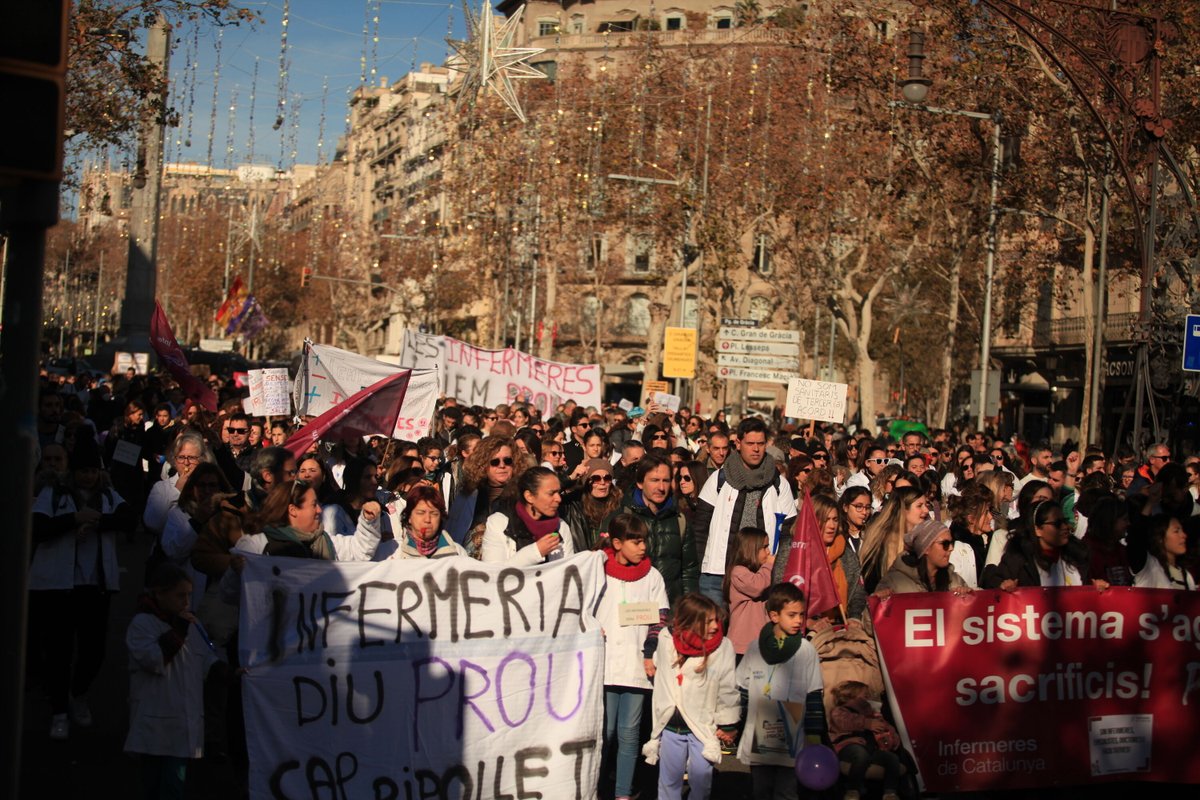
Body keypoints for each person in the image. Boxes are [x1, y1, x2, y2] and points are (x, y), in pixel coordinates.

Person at [31, 434, 135, 740]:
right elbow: (38, 527)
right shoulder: (54, 493)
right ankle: (59, 710)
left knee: (94, 651)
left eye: (92, 470)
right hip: (59, 587)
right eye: (82, 470)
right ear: (73, 472)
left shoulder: (107, 495)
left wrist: (98, 521)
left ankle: (79, 694)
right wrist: (73, 519)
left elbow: (129, 519)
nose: (88, 476)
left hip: (96, 586)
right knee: (58, 651)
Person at [125, 564, 221, 799]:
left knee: (172, 787)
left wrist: (227, 673)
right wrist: (178, 630)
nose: (186, 602)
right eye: (180, 595)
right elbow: (153, 659)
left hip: (182, 722)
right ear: (159, 593)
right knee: (152, 784)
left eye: (189, 595)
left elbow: (206, 659)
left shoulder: (191, 624)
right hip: (155, 719)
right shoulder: (142, 624)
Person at [597, 514, 670, 800]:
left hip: (638, 666)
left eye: (644, 541)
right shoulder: (598, 570)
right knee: (606, 733)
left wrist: (650, 653)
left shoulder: (652, 576)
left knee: (629, 735)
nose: (642, 547)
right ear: (617, 543)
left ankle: (622, 793)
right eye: (635, 541)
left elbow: (660, 619)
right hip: (604, 665)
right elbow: (583, 609)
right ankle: (599, 788)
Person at [735, 583, 827, 800]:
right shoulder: (754, 648)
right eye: (792, 615)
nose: (798, 620)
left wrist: (814, 735)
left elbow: (814, 694)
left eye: (801, 615)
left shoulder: (806, 651)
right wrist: (735, 724)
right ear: (774, 616)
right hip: (760, 730)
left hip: (792, 734)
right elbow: (743, 689)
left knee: (786, 791)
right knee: (760, 789)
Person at [643, 593, 739, 800]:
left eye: (716, 620)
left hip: (702, 726)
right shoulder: (667, 639)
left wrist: (728, 723)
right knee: (669, 780)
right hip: (671, 725)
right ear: (691, 622)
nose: (715, 626)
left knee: (701, 781)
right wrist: (651, 659)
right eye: (709, 621)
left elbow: (727, 688)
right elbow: (660, 660)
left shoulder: (722, 648)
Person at [693, 418, 796, 608]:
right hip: (718, 576)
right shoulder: (719, 479)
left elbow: (788, 532)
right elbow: (700, 528)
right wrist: (705, 564)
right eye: (750, 443)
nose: (756, 449)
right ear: (738, 444)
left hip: (762, 578)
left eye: (760, 443)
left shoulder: (779, 484)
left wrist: (775, 568)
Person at [620, 455, 700, 605]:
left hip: (670, 608)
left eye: (666, 481)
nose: (661, 488)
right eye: (655, 480)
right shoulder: (622, 517)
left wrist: (688, 608)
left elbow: (689, 571)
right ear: (640, 482)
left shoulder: (680, 520)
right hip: (632, 608)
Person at [982, 501, 1105, 590]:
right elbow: (993, 583)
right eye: (1057, 524)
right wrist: (1003, 585)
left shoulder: (1077, 556)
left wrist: (1095, 587)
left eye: (1065, 521)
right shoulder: (1018, 561)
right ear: (1038, 530)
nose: (1065, 527)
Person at [481, 467, 575, 565]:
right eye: (551, 493)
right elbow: (493, 574)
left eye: (558, 492)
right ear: (529, 496)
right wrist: (535, 552)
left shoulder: (560, 526)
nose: (558, 499)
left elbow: (567, 571)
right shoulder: (499, 523)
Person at [829, 680, 904, 800]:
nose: (868, 698)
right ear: (851, 695)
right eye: (865, 695)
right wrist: (867, 723)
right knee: (860, 754)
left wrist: (888, 735)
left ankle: (890, 792)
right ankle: (853, 790)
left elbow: (889, 731)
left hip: (871, 749)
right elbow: (846, 722)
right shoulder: (840, 711)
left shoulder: (873, 714)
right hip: (848, 747)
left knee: (891, 758)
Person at [445, 436, 519, 548]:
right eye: (495, 462)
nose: (502, 465)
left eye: (507, 461)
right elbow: (452, 537)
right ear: (483, 464)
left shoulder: (521, 495)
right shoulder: (468, 495)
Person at [857, 486, 929, 594]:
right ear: (903, 511)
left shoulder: (926, 542)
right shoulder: (879, 547)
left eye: (926, 505)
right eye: (919, 506)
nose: (926, 510)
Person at [875, 519, 970, 596]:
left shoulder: (955, 580)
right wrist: (879, 600)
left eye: (951, 543)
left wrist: (969, 596)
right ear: (926, 549)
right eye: (945, 544)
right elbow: (870, 617)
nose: (951, 548)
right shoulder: (894, 583)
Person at [143, 431, 210, 538]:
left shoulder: (209, 486)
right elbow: (153, 524)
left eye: (192, 458)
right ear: (174, 460)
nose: (186, 463)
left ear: (202, 459)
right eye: (181, 457)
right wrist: (176, 491)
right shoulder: (161, 488)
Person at [376, 484, 467, 560]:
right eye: (420, 513)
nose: (427, 519)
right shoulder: (391, 551)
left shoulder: (457, 553)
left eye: (434, 514)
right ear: (409, 517)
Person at [723, 527, 775, 658]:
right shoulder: (738, 572)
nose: (768, 552)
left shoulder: (760, 573)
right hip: (742, 647)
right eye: (765, 547)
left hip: (761, 644)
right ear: (751, 549)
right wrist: (769, 566)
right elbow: (757, 587)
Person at [560, 458, 622, 552]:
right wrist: (570, 478)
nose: (602, 483)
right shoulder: (573, 504)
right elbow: (545, 494)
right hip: (583, 562)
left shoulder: (620, 505)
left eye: (607, 478)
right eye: (596, 478)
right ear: (587, 482)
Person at [1133, 515, 1195, 590]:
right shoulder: (1149, 566)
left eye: (1182, 530)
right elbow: (1136, 537)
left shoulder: (1187, 576)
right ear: (1160, 538)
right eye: (1176, 531)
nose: (1184, 535)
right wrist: (1149, 505)